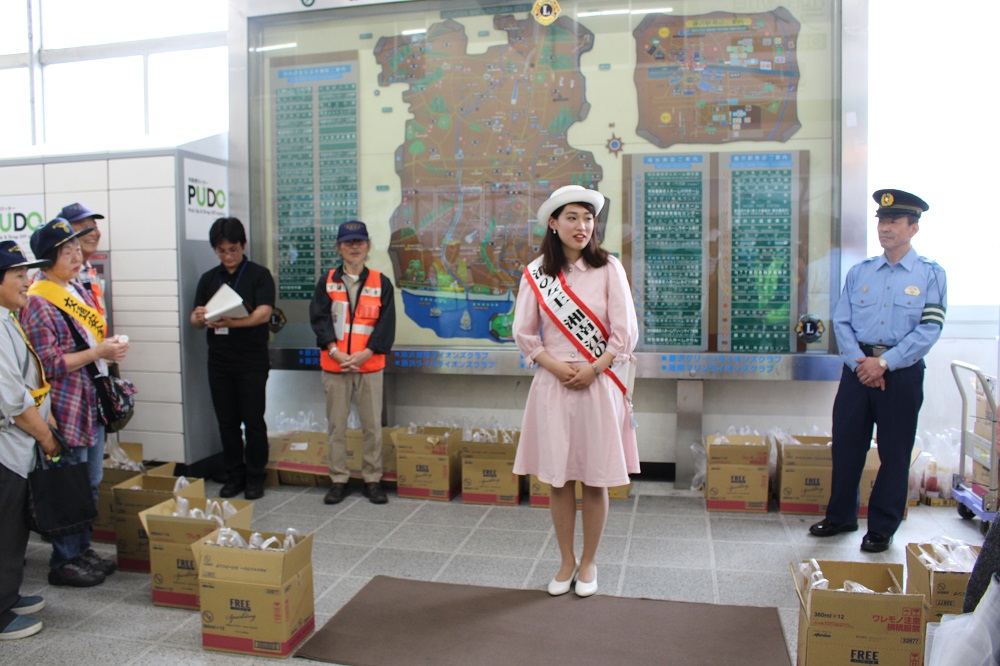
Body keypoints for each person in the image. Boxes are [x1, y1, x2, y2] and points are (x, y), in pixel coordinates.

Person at [512, 185, 639, 597]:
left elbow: (625, 333)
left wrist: (594, 368)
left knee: (596, 479)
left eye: (587, 218)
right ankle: (566, 559)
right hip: (553, 385)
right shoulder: (536, 273)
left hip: (598, 384)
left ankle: (589, 562)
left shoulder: (609, 269)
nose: (581, 226)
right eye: (571, 218)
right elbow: (526, 334)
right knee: (559, 479)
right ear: (553, 223)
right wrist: (557, 366)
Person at [810, 189, 946, 553]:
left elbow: (929, 329)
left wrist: (885, 362)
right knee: (847, 445)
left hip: (900, 372)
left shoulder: (930, 274)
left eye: (894, 222)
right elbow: (842, 322)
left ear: (913, 228)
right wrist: (861, 363)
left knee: (895, 452)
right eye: (882, 221)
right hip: (857, 370)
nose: (885, 228)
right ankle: (840, 516)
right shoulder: (861, 272)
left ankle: (882, 527)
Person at [21, 218, 128, 586]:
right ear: (48, 258)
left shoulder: (76, 290)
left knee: (91, 480)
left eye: (76, 249)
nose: (77, 256)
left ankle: (81, 548)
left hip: (89, 403)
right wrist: (99, 350)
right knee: (68, 481)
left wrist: (106, 351)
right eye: (67, 252)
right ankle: (64, 558)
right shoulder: (38, 301)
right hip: (64, 406)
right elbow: (48, 363)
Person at [309, 220, 395, 505]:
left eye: (359, 242)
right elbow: (319, 319)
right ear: (339, 248)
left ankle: (372, 479)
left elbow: (386, 325)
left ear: (368, 246)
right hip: (335, 366)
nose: (354, 247)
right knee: (337, 426)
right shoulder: (327, 281)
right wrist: (335, 352)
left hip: (369, 366)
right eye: (348, 243)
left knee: (372, 426)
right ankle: (338, 479)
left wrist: (366, 353)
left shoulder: (380, 282)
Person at [190, 218, 275, 500]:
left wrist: (233, 322)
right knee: (226, 421)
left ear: (244, 245)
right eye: (222, 251)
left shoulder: (259, 275)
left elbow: (263, 313)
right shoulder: (209, 279)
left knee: (253, 420)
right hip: (219, 361)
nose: (228, 256)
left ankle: (255, 475)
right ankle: (233, 473)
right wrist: (200, 318)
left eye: (233, 250)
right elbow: (195, 319)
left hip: (251, 360)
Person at [0, 241, 58, 640]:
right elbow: (12, 400)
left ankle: (8, 593)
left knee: (15, 527)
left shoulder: (8, 318)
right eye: (18, 274)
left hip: (17, 447)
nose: (27, 281)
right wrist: (47, 438)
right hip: (7, 448)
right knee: (4, 530)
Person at [58, 203, 107, 317]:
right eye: (85, 228)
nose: (93, 233)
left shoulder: (89, 270)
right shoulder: (58, 277)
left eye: (94, 227)